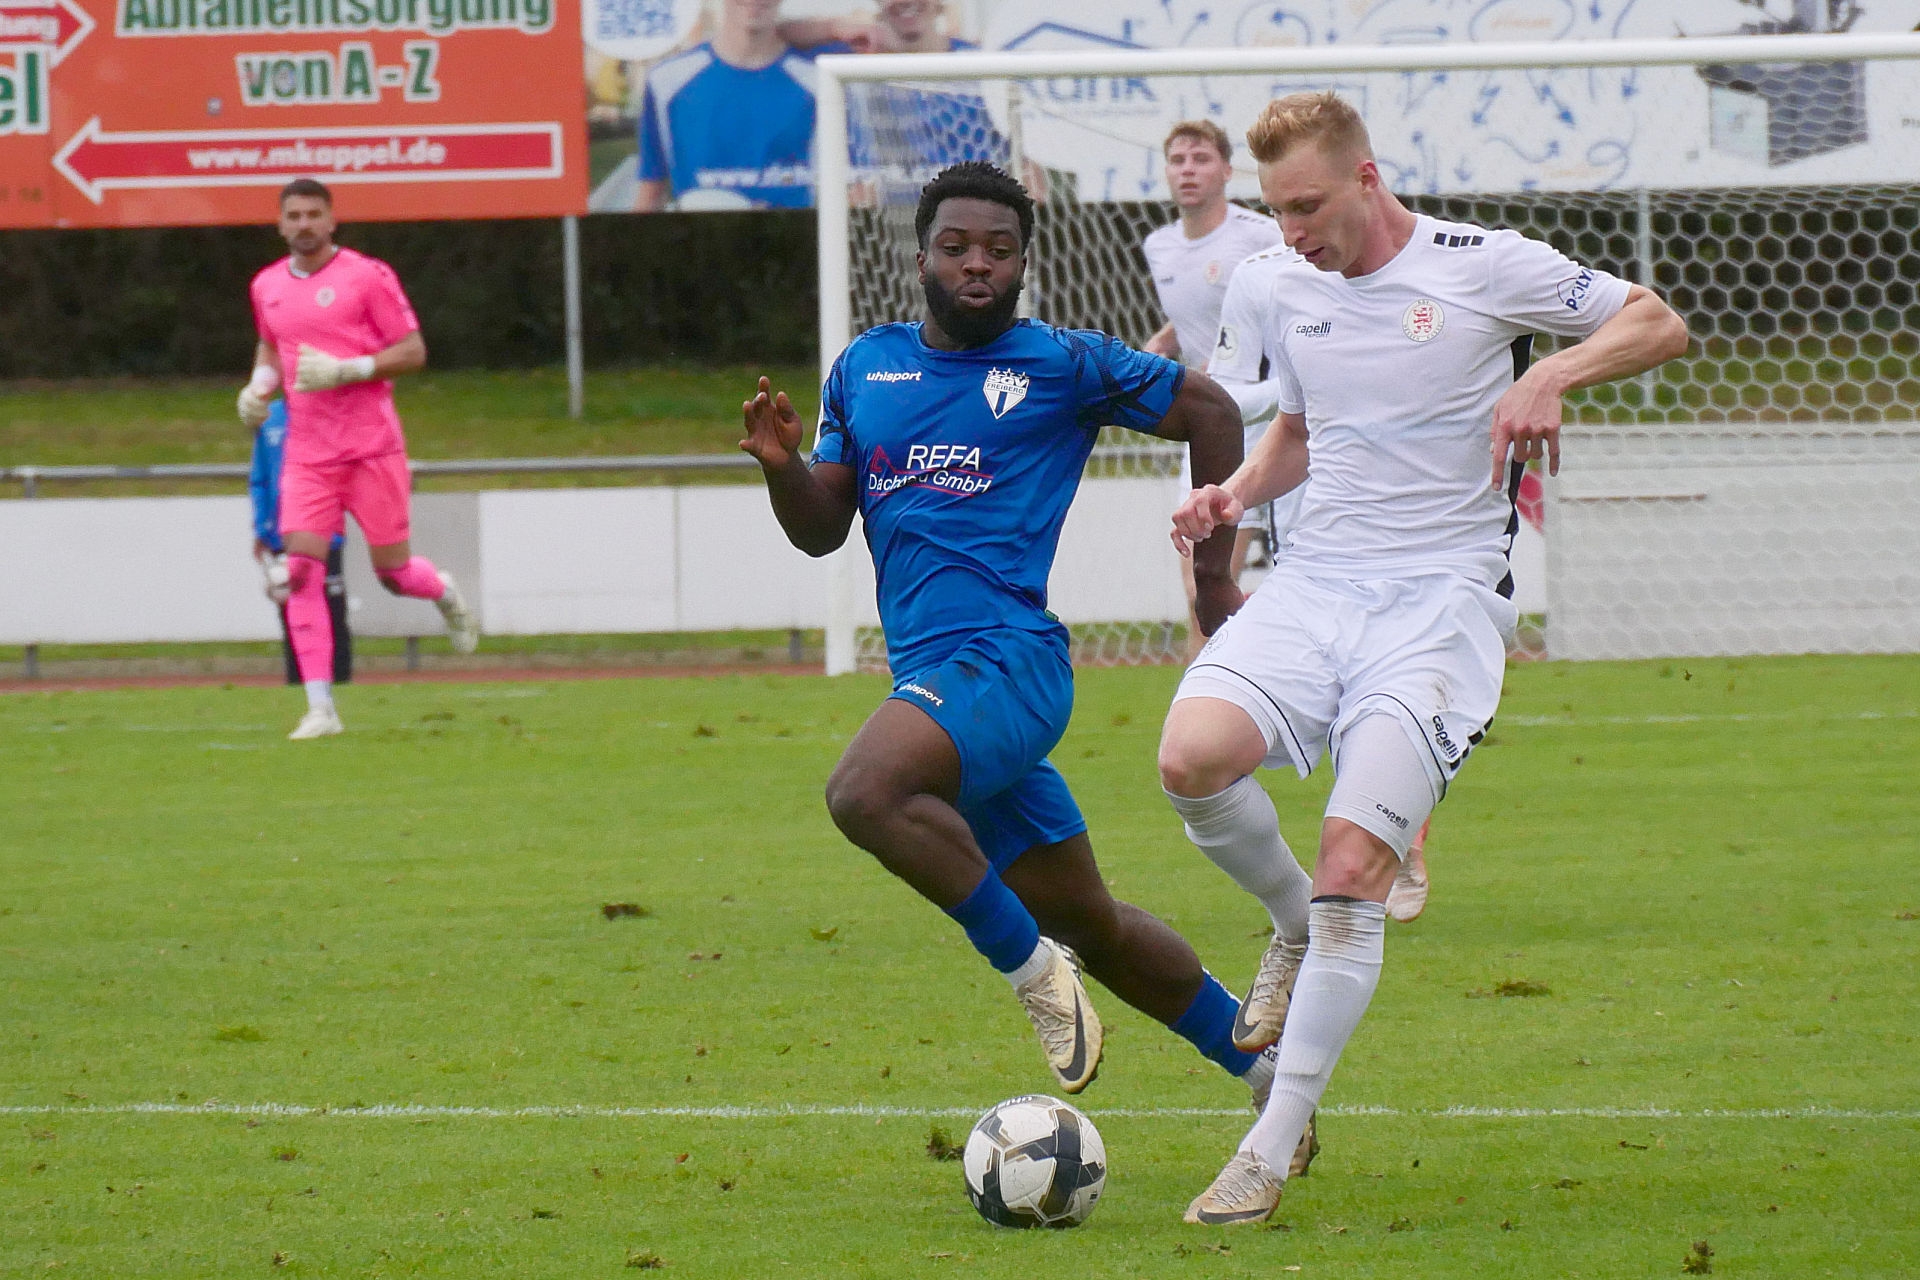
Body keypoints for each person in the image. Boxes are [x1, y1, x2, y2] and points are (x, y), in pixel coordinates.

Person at [1157, 92, 1688, 1225]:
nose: (1290, 231)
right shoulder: (1280, 281)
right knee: (1189, 758)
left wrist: (1551, 374)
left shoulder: (1482, 264)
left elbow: (1657, 321)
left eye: (1307, 206)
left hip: (1439, 607)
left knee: (1356, 862)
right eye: (1276, 209)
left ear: (1366, 178)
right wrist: (1233, 495)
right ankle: (1290, 923)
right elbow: (1302, 430)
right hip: (1317, 585)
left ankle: (1268, 1145)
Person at [741, 163, 1313, 1165]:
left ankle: (1031, 970)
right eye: (958, 246)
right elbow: (823, 529)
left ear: (1022, 265)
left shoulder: (1061, 362)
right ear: (922, 256)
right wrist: (786, 468)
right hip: (938, 686)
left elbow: (1213, 411)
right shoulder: (866, 368)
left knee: (864, 792)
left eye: (1000, 251)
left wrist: (1213, 578)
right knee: (1093, 919)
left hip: (1010, 660)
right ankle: (1268, 1080)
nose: (979, 264)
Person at [239, 178, 477, 740]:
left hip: (372, 448)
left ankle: (441, 590)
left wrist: (352, 369)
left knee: (394, 574)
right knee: (301, 571)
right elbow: (272, 345)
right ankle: (320, 707)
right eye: (294, 215)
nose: (303, 224)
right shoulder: (266, 285)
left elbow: (413, 351)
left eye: (313, 214)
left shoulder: (367, 276)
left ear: (331, 220)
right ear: (280, 224)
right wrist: (259, 385)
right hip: (307, 454)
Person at [1139, 121, 1288, 660]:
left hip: (1272, 418)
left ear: (1226, 170)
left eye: (1200, 159)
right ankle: (1209, 699)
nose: (1188, 170)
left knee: (1272, 583)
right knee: (1201, 594)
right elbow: (1195, 314)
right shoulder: (1159, 246)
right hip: (1210, 422)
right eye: (1178, 160)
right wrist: (1164, 344)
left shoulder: (1262, 237)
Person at [634, 0, 820, 211]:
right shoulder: (667, 81)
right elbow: (650, 195)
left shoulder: (819, 83)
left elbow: (847, 190)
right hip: (698, 232)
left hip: (793, 232)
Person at [248, 399, 352, 686]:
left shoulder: (328, 411)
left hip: (323, 530)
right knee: (291, 610)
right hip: (282, 532)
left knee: (332, 607)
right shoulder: (269, 416)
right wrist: (262, 527)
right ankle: (299, 682)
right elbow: (260, 477)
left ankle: (340, 680)